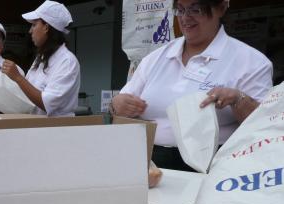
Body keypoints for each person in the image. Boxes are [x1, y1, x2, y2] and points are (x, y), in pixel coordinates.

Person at [112, 0, 273, 171]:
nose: (185, 18)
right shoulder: (155, 58)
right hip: (150, 160)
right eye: (180, 10)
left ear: (221, 8)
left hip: (215, 163)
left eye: (196, 9)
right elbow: (118, 105)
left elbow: (265, 125)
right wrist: (117, 104)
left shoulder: (251, 61)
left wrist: (238, 99)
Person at [1, 1, 80, 117]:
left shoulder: (67, 61)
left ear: (46, 27)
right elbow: (28, 94)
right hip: (37, 128)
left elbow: (47, 103)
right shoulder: (42, 57)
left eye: (34, 25)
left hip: (56, 130)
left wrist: (18, 77)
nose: (30, 31)